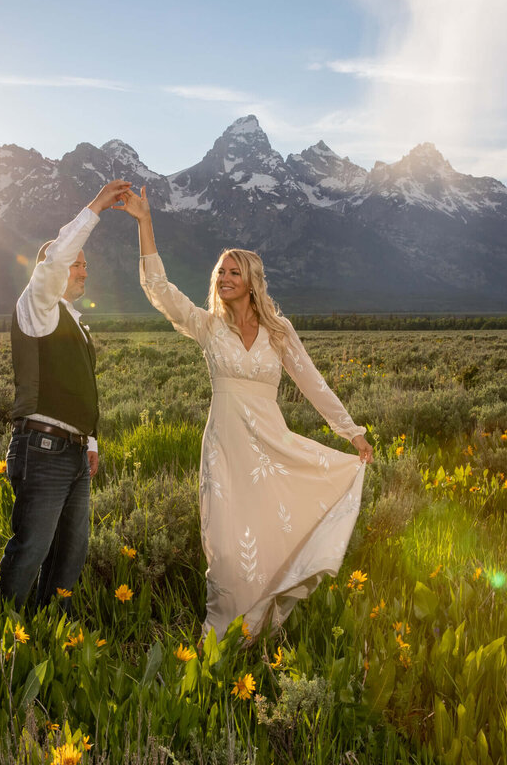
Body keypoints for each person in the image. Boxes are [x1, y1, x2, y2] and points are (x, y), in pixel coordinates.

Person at [117, 186, 373, 639]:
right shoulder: (207, 326)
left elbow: (313, 383)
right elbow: (158, 289)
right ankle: (218, 641)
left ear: (253, 279)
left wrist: (350, 431)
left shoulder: (279, 330)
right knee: (229, 551)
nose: (224, 278)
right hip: (225, 450)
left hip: (272, 447)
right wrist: (144, 222)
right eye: (220, 272)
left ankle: (262, 636)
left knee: (272, 537)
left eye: (234, 272)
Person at [0, 179, 132, 611]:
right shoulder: (37, 307)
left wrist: (90, 442)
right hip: (42, 449)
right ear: (51, 269)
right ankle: (4, 638)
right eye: (77, 264)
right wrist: (96, 206)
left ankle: (49, 634)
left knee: (71, 554)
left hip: (73, 453)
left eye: (85, 266)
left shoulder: (73, 322)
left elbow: (81, 389)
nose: (83, 271)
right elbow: (56, 257)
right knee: (32, 549)